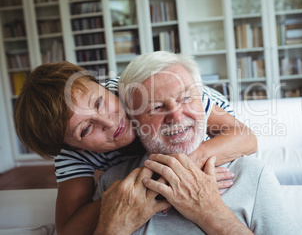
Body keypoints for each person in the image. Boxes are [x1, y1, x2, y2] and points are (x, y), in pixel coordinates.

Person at [13, 60, 257, 234]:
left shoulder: (145, 90)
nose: (110, 122)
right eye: (86, 130)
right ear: (72, 147)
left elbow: (246, 138)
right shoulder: (70, 155)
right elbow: (69, 229)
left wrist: (185, 165)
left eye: (99, 101)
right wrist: (135, 189)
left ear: (101, 85)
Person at [92, 51, 299, 234]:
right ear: (133, 120)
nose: (176, 114)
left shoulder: (253, 175)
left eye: (186, 99)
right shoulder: (112, 185)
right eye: (156, 107)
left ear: (203, 103)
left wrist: (211, 213)